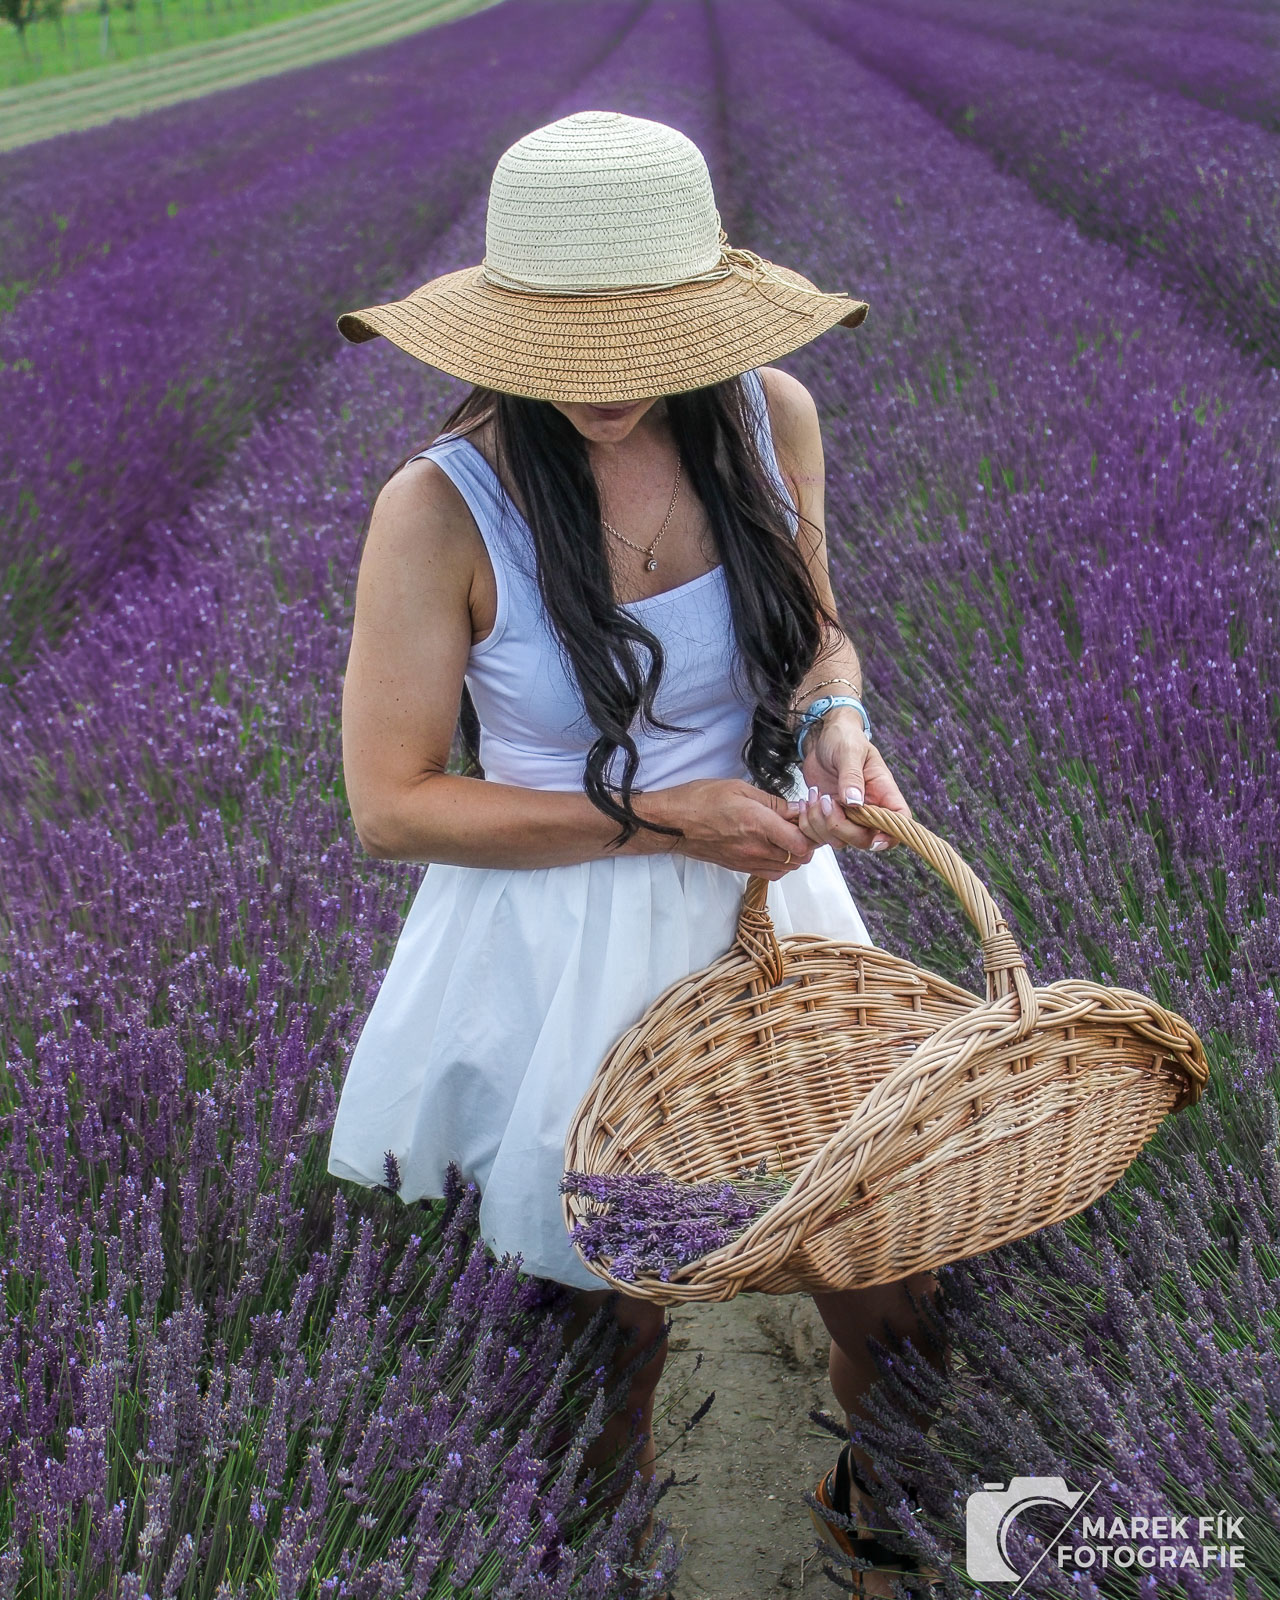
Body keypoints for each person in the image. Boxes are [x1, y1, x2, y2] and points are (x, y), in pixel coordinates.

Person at [328, 110, 949, 1598]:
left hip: (768, 904)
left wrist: (841, 721)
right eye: (567, 351)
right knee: (605, 1323)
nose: (603, 390)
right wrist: (660, 813)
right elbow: (394, 803)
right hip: (551, 934)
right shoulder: (436, 509)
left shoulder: (765, 417)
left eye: (641, 345)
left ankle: (876, 1535)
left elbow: (816, 635)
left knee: (897, 1274)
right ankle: (598, 1561)